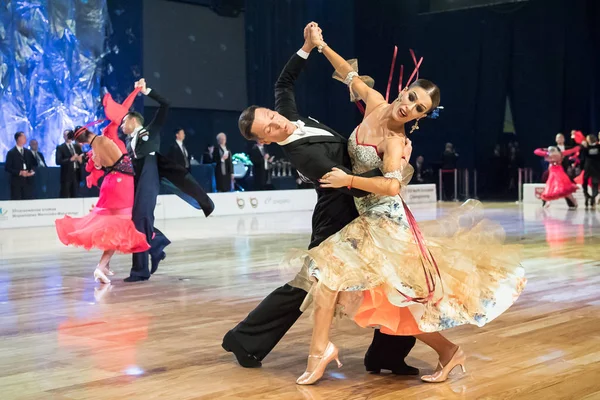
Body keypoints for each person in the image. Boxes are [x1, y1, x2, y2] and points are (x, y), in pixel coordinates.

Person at [285, 24, 526, 385]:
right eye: (411, 96)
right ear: (403, 90)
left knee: (340, 277)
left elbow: (393, 186)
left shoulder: (395, 140)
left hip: (386, 224)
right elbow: (350, 75)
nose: (409, 106)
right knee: (385, 299)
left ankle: (322, 352)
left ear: (419, 118)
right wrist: (319, 46)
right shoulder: (377, 103)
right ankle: (446, 352)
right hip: (368, 220)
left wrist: (347, 180)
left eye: (418, 108)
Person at [224, 22, 418, 377]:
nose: (275, 122)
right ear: (265, 141)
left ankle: (385, 355)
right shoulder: (304, 158)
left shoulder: (289, 114)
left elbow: (283, 83)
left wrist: (308, 47)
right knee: (315, 283)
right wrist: (396, 170)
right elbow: (350, 184)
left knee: (382, 280)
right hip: (342, 211)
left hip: (360, 202)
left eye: (270, 115)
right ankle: (247, 339)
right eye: (267, 128)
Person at [120, 79, 215, 282]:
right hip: (137, 180)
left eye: (124, 121)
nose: (121, 125)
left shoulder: (151, 130)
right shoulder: (128, 143)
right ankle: (155, 247)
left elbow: (166, 104)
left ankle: (142, 268)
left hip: (150, 174)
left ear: (134, 121)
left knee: (140, 220)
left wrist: (147, 91)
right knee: (138, 220)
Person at [55, 124, 150, 283]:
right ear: (88, 132)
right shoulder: (103, 141)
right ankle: (101, 266)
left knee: (112, 226)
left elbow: (98, 165)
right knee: (118, 228)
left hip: (110, 183)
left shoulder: (94, 151)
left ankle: (104, 265)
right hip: (122, 184)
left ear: (82, 142)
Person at [5, 132, 36, 200]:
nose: (26, 139)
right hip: (16, 183)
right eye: (24, 137)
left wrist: (31, 172)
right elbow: (7, 168)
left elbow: (34, 164)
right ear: (18, 138)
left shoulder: (28, 152)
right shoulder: (11, 153)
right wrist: (20, 172)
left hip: (27, 182)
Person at [55, 129, 84, 198]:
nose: (68, 137)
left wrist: (80, 160)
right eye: (66, 135)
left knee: (75, 194)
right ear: (63, 137)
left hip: (76, 173)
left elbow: (83, 158)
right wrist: (70, 159)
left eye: (69, 135)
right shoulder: (60, 148)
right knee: (65, 194)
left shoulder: (76, 147)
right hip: (66, 175)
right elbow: (58, 161)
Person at [579, 134, 600, 209]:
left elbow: (582, 159)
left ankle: (592, 198)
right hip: (588, 168)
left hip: (595, 169)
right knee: (585, 183)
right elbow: (582, 158)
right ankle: (587, 196)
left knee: (594, 184)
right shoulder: (585, 148)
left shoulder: (598, 147)